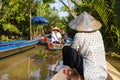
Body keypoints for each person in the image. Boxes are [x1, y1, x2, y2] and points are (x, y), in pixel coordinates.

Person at [62, 11, 108, 80]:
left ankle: (78, 75)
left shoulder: (79, 35)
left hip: (90, 75)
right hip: (103, 74)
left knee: (66, 50)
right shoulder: (99, 33)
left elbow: (73, 51)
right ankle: (77, 73)